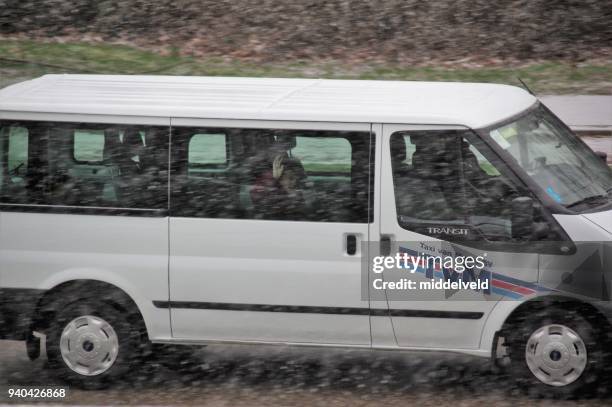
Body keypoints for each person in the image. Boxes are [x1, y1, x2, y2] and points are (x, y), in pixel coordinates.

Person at [251, 154, 307, 220]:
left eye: (292, 178)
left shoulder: (300, 194)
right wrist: (275, 180)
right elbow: (268, 206)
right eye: (283, 178)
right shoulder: (273, 194)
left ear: (297, 179)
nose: (288, 182)